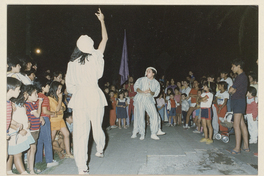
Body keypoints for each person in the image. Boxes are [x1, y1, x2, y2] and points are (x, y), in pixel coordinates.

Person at [65, 8, 108, 174]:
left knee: (80, 133)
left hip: (79, 97)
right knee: (97, 127)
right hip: (94, 95)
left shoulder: (72, 63)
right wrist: (102, 21)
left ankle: (81, 167)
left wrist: (76, 93)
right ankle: (100, 148)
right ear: (90, 45)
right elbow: (105, 39)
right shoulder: (96, 56)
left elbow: (70, 85)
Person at [7, 85, 35, 174]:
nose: (27, 95)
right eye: (26, 93)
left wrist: (27, 122)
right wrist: (18, 130)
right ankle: (23, 173)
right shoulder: (12, 105)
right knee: (16, 153)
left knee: (12, 153)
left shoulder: (21, 104)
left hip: (20, 131)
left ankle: (8, 171)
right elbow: (8, 121)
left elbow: (22, 116)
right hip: (14, 132)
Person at [131, 67, 165, 140]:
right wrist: (143, 92)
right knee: (140, 116)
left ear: (153, 73)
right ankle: (141, 133)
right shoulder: (141, 79)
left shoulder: (156, 83)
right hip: (140, 98)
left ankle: (154, 133)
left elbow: (156, 93)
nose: (147, 72)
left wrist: (150, 92)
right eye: (146, 71)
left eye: (149, 71)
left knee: (154, 115)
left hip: (149, 99)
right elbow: (136, 88)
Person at [33, 78, 59, 167]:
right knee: (48, 139)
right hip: (45, 119)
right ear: (43, 87)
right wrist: (53, 113)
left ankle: (38, 160)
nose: (49, 88)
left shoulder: (36, 96)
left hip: (37, 119)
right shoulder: (44, 97)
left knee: (39, 140)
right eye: (47, 86)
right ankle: (49, 160)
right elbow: (45, 111)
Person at [228, 59, 249, 154]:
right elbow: (231, 90)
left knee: (236, 124)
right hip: (239, 101)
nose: (232, 68)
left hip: (238, 102)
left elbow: (230, 90)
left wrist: (232, 90)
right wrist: (232, 90)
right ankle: (246, 146)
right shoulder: (242, 77)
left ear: (238, 66)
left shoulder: (241, 77)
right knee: (242, 124)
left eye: (233, 66)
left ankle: (237, 148)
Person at [48, 81, 73, 159]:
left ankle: (68, 153)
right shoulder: (50, 98)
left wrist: (60, 106)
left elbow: (63, 108)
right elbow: (57, 108)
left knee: (67, 134)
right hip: (54, 121)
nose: (60, 91)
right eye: (58, 89)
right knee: (51, 139)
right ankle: (49, 155)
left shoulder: (57, 98)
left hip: (60, 119)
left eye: (61, 89)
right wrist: (60, 99)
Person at [24, 85, 45, 174]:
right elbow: (37, 114)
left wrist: (41, 118)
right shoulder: (28, 104)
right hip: (32, 130)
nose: (37, 95)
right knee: (32, 149)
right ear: (28, 95)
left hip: (36, 129)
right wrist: (40, 104)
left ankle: (30, 167)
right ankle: (32, 170)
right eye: (35, 93)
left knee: (31, 150)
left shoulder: (32, 104)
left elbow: (37, 115)